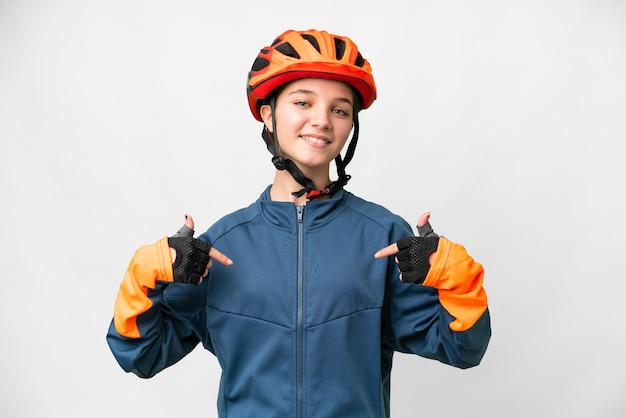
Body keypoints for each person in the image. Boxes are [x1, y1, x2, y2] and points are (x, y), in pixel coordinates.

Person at [106, 29, 491, 417]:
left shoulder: (383, 235)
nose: (322, 120)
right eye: (303, 102)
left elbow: (463, 349)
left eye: (340, 110)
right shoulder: (221, 245)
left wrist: (454, 278)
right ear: (269, 115)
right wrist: (144, 276)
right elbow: (142, 355)